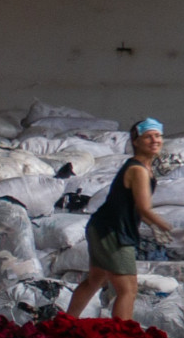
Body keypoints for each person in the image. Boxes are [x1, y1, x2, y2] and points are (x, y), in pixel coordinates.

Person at [69, 119, 173, 320]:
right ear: (136, 141)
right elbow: (144, 208)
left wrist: (154, 226)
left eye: (158, 136)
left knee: (95, 279)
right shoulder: (138, 170)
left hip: (103, 228)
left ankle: (66, 323)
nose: (155, 140)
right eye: (148, 136)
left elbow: (138, 209)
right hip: (113, 233)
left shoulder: (143, 167)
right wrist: (167, 227)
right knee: (128, 289)